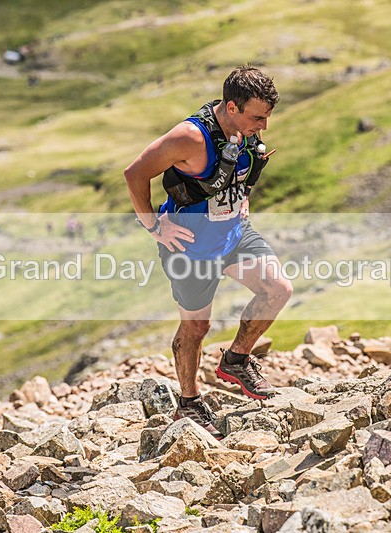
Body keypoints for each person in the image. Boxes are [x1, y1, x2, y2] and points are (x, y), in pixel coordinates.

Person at [124, 66, 293, 438]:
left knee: (278, 290)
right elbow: (134, 173)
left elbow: (240, 172)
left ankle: (235, 361)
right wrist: (153, 225)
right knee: (197, 327)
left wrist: (242, 198)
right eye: (257, 117)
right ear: (231, 107)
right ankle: (189, 402)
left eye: (267, 117)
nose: (263, 126)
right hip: (191, 248)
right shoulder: (189, 137)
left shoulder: (245, 129)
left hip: (233, 235)